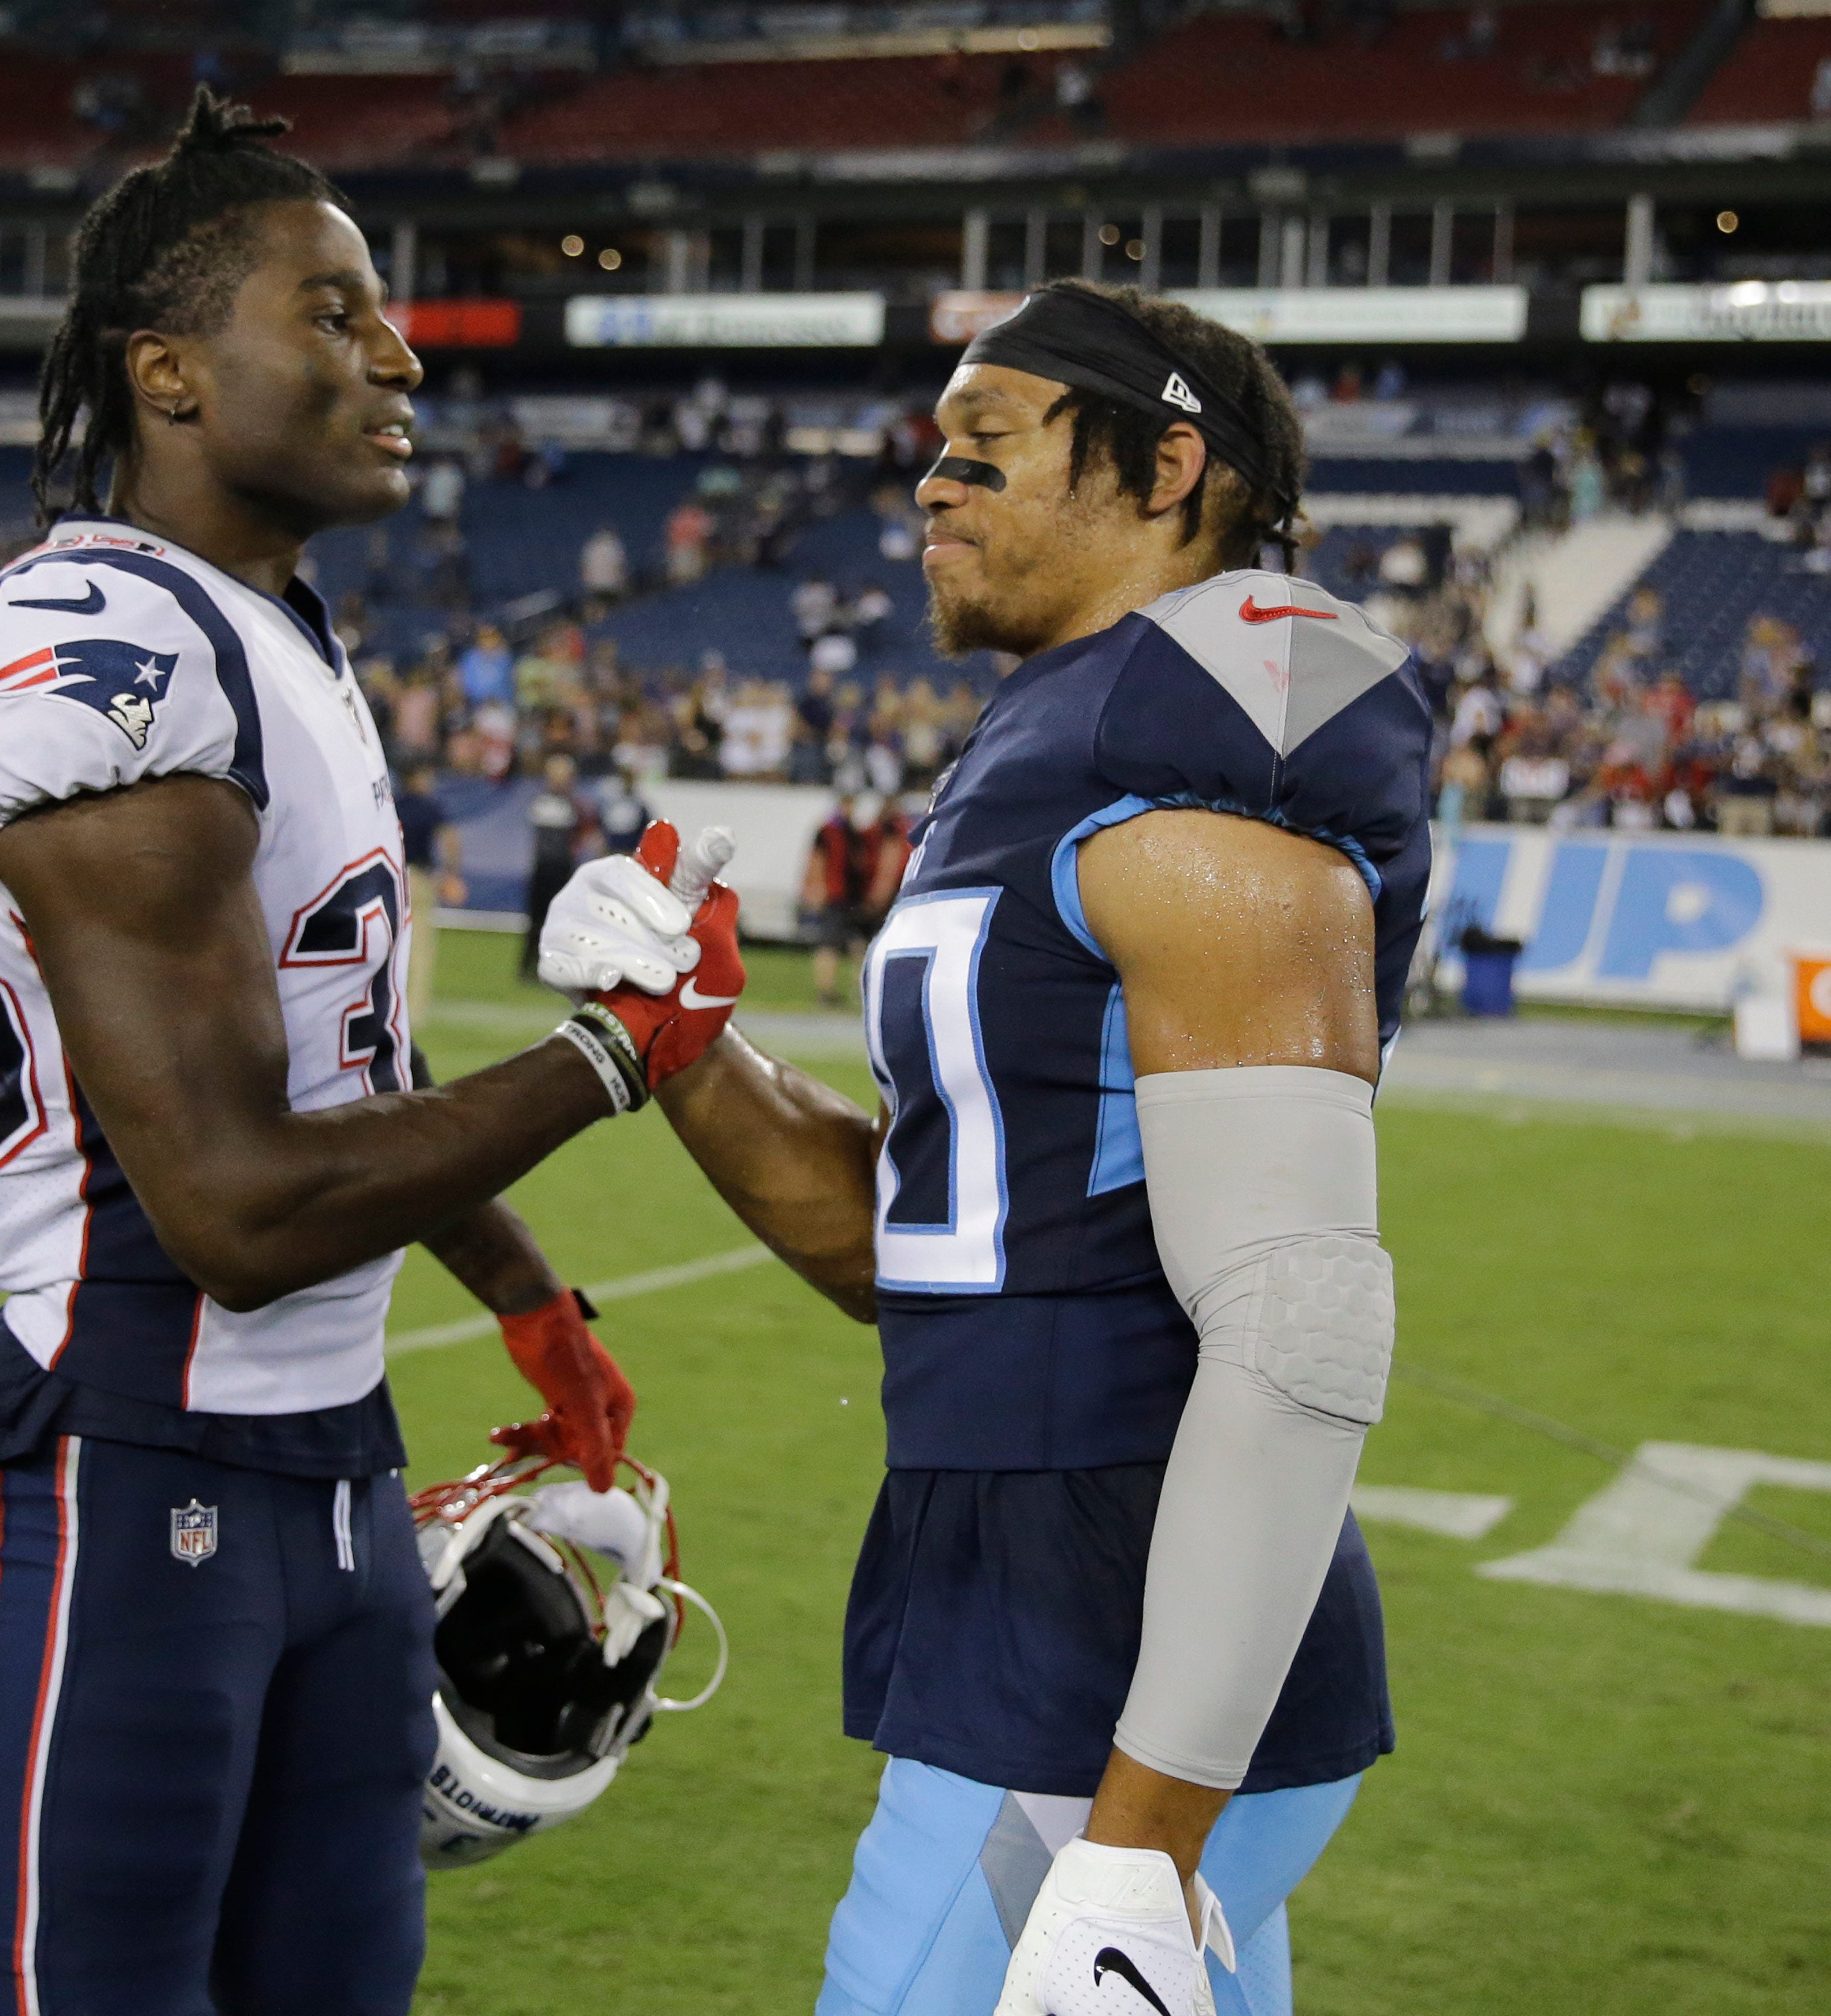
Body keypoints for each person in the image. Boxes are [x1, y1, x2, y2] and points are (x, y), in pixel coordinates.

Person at [0, 91, 746, 2016]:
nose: (399, 349)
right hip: (118, 1468)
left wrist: (531, 1303)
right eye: (337, 310)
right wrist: (614, 1053)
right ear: (172, 372)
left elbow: (338, 1044)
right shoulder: (89, 633)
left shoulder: (273, 626)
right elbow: (236, 1205)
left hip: (337, 1471)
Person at [539, 281, 1428, 2016]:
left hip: (1118, 1630)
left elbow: (1304, 1321)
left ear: (1170, 465)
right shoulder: (1057, 739)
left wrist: (1143, 1840)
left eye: (986, 446)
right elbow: (923, 1242)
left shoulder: (1207, 757)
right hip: (1045, 1581)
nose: (931, 488)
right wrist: (687, 1044)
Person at [802, 789, 906, 1009]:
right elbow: (817, 861)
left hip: (854, 897)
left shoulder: (856, 832)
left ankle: (862, 990)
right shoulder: (829, 831)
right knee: (830, 945)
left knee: (863, 945)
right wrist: (816, 888)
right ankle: (826, 991)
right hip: (836, 896)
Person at [393, 761, 461, 1022]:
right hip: (419, 879)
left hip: (393, 876)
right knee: (420, 947)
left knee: (390, 943)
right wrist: (451, 873)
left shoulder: (392, 804)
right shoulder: (429, 807)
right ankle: (414, 1011)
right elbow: (451, 840)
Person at [520, 751, 592, 978]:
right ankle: (527, 966)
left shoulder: (576, 805)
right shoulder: (539, 801)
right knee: (535, 919)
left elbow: (587, 833)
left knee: (560, 922)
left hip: (563, 869)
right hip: (541, 869)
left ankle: (555, 966)